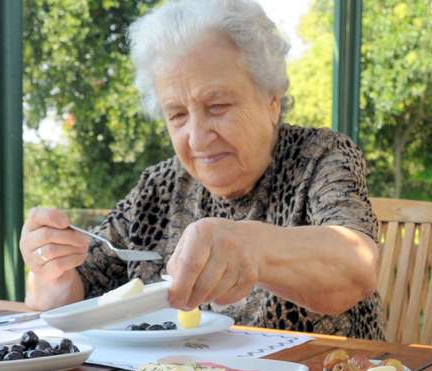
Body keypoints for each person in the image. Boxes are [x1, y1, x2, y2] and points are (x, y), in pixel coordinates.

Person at [19, 0, 384, 339]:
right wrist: (52, 270)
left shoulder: (320, 157)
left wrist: (251, 247)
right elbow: (69, 297)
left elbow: (357, 267)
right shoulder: (159, 188)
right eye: (177, 114)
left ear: (271, 101)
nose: (196, 138)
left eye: (218, 105)